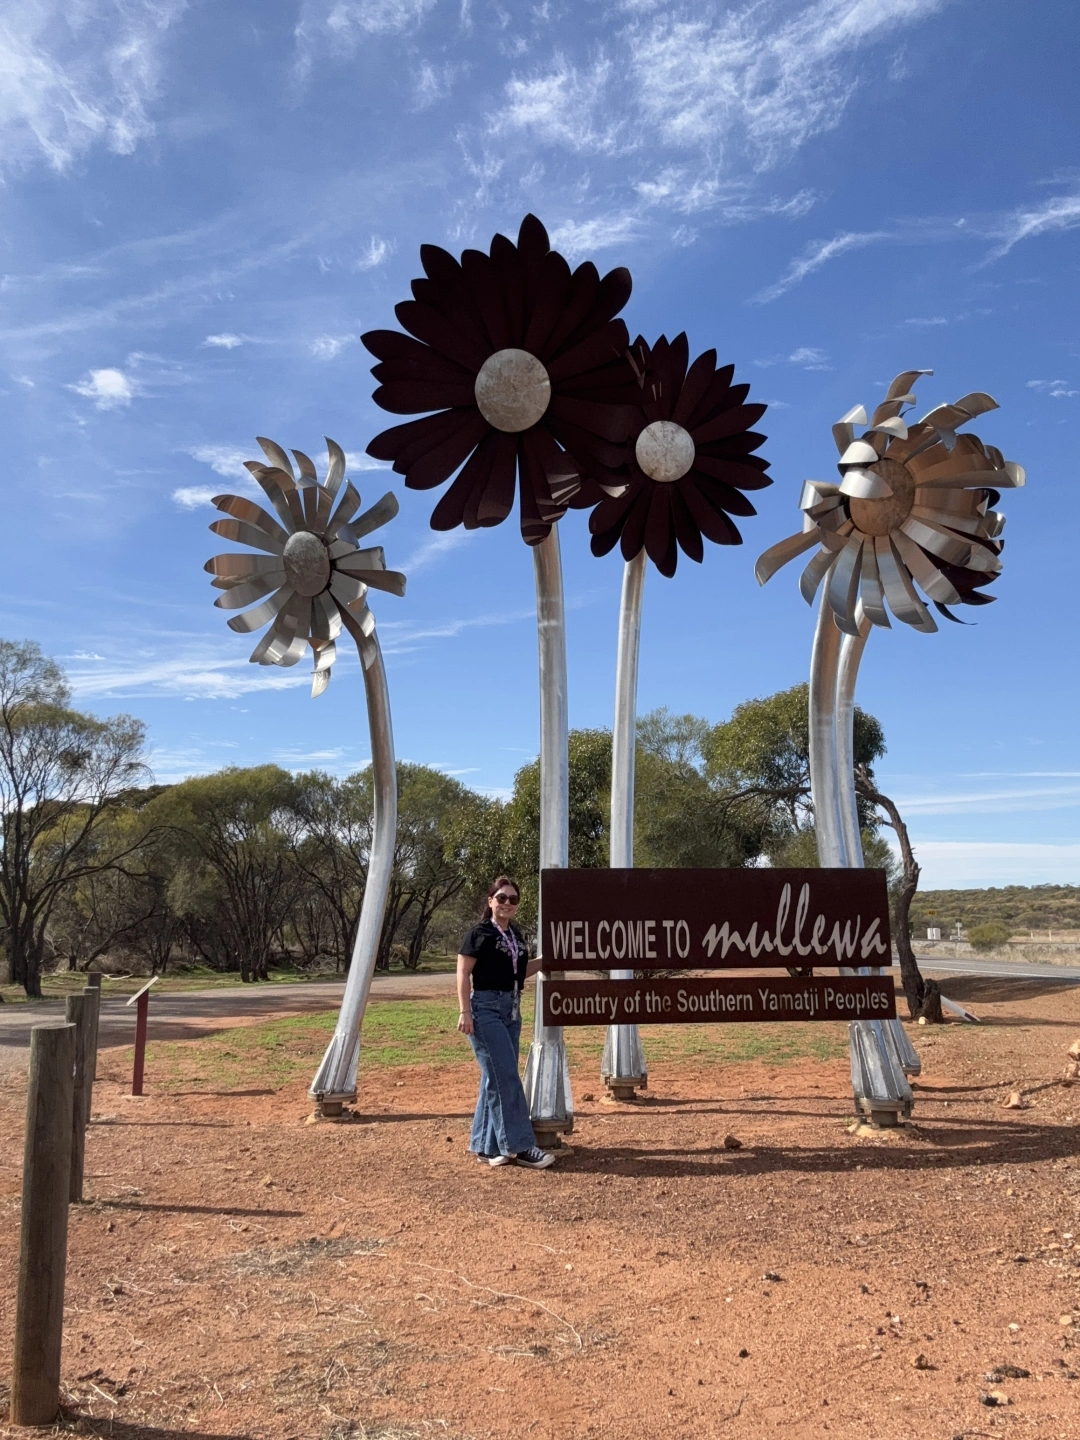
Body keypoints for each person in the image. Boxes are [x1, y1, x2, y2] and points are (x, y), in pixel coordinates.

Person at [457, 876, 555, 1170]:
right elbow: (462, 974)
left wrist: (552, 960)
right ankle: (522, 1146)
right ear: (490, 901)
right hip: (485, 1010)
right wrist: (465, 1012)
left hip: (511, 1009)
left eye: (513, 899)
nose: (507, 904)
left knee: (495, 1077)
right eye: (502, 898)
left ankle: (486, 1147)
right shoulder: (479, 933)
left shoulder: (515, 935)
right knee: (507, 1078)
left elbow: (520, 972)